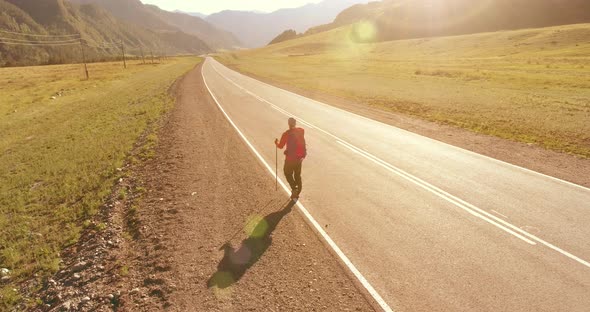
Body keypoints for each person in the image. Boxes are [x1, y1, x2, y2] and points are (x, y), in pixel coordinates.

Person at [275, 118, 307, 199]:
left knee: (287, 173)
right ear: (295, 123)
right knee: (297, 175)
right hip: (299, 158)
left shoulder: (286, 134)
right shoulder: (300, 131)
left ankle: (294, 189)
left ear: (288, 124)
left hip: (290, 159)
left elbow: (280, 146)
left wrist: (276, 143)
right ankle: (298, 191)